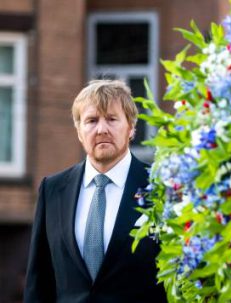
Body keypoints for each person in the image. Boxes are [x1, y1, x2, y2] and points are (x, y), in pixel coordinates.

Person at [24, 80, 167, 303]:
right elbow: (39, 281)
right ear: (79, 131)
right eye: (91, 120)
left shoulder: (161, 187)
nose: (101, 129)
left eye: (111, 119)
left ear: (131, 128)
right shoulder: (52, 190)